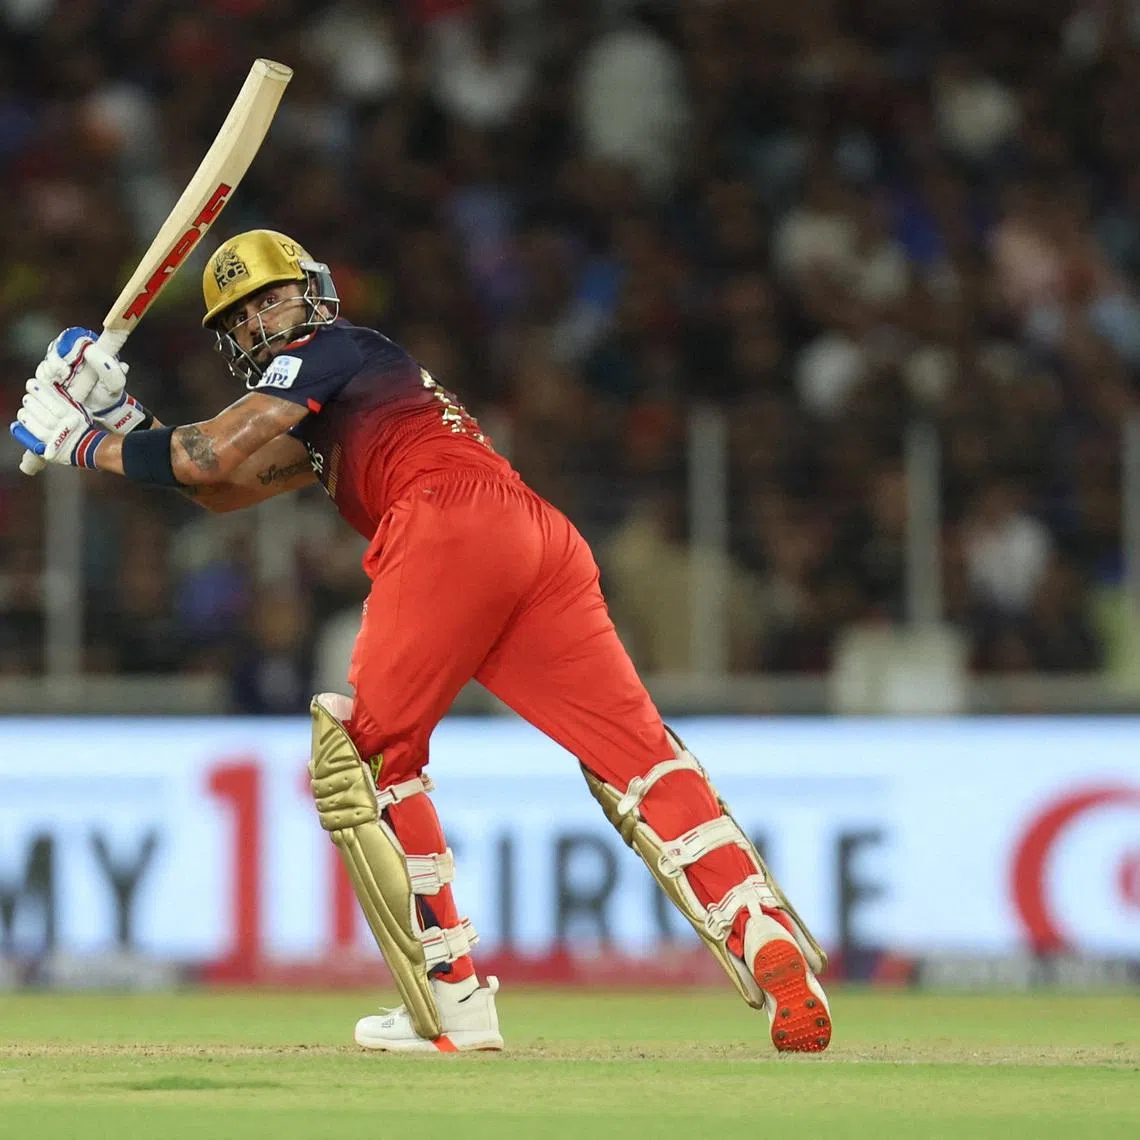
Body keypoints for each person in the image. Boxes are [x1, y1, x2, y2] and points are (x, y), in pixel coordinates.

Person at [10, 229, 832, 1054]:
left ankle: (452, 1003)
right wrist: (115, 415)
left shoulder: (327, 350)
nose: (269, 314)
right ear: (239, 333)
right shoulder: (337, 388)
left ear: (309, 293)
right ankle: (764, 936)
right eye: (250, 309)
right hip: (533, 535)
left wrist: (81, 441)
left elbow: (208, 451)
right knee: (637, 755)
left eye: (274, 294)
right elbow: (219, 485)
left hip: (446, 525)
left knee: (363, 760)